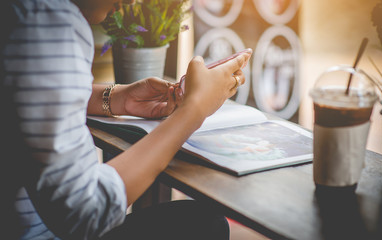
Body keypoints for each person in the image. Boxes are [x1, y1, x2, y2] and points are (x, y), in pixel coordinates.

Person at [0, 0, 250, 239]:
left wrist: (117, 98)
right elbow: (84, 213)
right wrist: (193, 111)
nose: (131, 1)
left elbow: (20, 94)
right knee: (204, 224)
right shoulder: (43, 22)